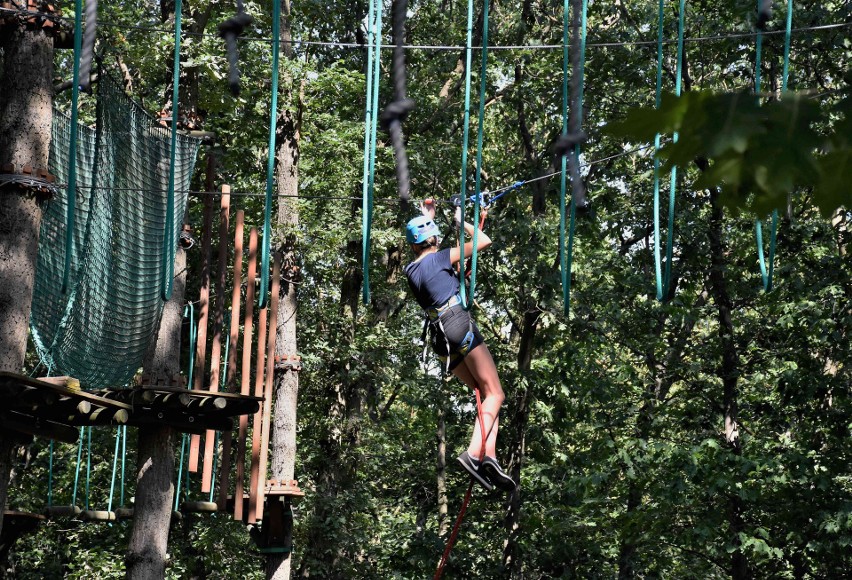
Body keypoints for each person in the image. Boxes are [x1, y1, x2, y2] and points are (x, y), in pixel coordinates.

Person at [403, 199, 516, 493]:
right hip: (456, 325)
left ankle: (488, 457)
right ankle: (474, 453)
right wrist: (460, 220)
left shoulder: (411, 270)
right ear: (435, 239)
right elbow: (483, 241)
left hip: (441, 340)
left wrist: (428, 214)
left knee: (487, 393)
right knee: (497, 392)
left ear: (414, 244)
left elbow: (425, 243)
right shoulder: (439, 258)